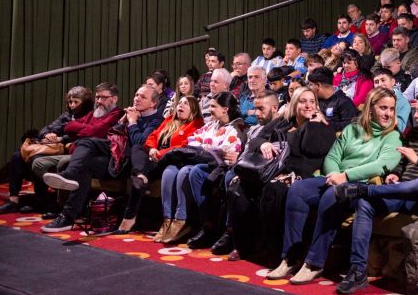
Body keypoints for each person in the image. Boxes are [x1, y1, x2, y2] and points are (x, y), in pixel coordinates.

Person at [330, 91, 418, 294]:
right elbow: (401, 164)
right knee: (363, 204)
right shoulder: (413, 134)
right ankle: (358, 271)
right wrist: (395, 174)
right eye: (415, 111)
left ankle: (366, 189)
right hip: (399, 190)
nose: (416, 116)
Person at [268, 88, 402, 284]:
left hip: (359, 185)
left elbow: (384, 164)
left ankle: (314, 263)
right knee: (298, 190)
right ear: (370, 108)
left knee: (333, 194)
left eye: (391, 109)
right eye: (383, 108)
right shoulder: (352, 129)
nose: (388, 113)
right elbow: (333, 156)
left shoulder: (392, 136)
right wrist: (334, 174)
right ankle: (290, 257)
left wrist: (346, 176)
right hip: (334, 177)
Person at [229, 88, 335, 259]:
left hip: (299, 174)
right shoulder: (283, 122)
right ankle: (243, 246)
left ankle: (273, 249)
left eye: (312, 101)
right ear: (294, 104)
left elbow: (311, 149)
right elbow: (257, 138)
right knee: (238, 187)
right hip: (272, 169)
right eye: (303, 101)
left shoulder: (321, 126)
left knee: (273, 190)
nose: (308, 105)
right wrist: (263, 144)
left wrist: (313, 125)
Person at [41, 85, 162, 233]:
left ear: (153, 103)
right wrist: (122, 123)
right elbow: (111, 136)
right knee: (85, 151)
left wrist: (132, 122)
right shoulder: (129, 114)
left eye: (143, 97)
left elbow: (140, 144)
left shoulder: (157, 120)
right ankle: (67, 216)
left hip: (130, 163)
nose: (137, 98)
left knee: (87, 148)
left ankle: (70, 181)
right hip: (115, 155)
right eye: (136, 95)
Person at [0, 86, 93, 215]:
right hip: (55, 148)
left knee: (37, 159)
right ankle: (13, 201)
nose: (72, 105)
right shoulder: (67, 115)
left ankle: (41, 200)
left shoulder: (91, 116)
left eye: (75, 102)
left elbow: (84, 134)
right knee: (18, 156)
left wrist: (61, 138)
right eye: (69, 102)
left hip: (71, 149)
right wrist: (47, 135)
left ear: (85, 102)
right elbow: (46, 129)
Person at [115, 96, 204, 237]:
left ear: (193, 109)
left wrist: (160, 153)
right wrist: (151, 149)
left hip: (171, 160)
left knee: (157, 162)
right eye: (179, 102)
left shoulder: (197, 124)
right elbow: (153, 136)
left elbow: (183, 146)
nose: (180, 105)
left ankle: (131, 212)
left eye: (185, 104)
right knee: (138, 147)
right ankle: (141, 175)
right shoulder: (169, 120)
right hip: (154, 159)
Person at [166, 92, 246, 246]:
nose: (209, 110)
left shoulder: (238, 126)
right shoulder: (212, 124)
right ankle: (206, 225)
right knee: (193, 171)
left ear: (225, 109)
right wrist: (207, 146)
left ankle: (220, 229)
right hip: (209, 163)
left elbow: (229, 150)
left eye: (213, 106)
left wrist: (207, 146)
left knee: (198, 171)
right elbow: (193, 139)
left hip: (225, 167)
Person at [306, 67, 357, 132]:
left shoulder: (344, 102)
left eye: (310, 85)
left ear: (318, 85)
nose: (309, 88)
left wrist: (324, 122)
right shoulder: (318, 101)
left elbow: (351, 127)